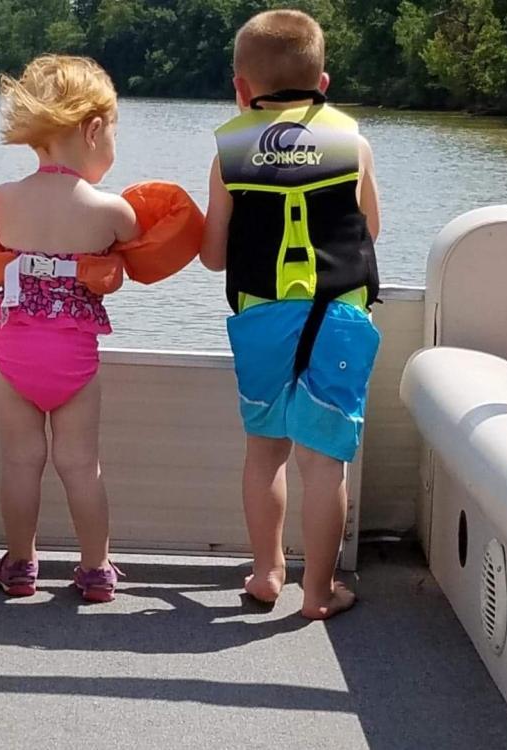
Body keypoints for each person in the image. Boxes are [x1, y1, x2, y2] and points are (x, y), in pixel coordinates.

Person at [200, 9, 382, 619]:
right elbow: (371, 230)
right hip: (340, 316)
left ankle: (266, 572)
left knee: (265, 451)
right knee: (325, 460)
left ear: (240, 88)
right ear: (323, 83)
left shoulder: (229, 149)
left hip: (261, 317)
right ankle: (319, 591)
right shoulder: (353, 143)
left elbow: (212, 255)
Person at [0, 54, 138, 601]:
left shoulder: (3, 201)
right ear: (94, 130)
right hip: (73, 360)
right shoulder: (109, 210)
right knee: (80, 465)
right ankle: (96, 570)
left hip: (13, 352)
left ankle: (20, 565)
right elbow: (134, 233)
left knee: (21, 462)